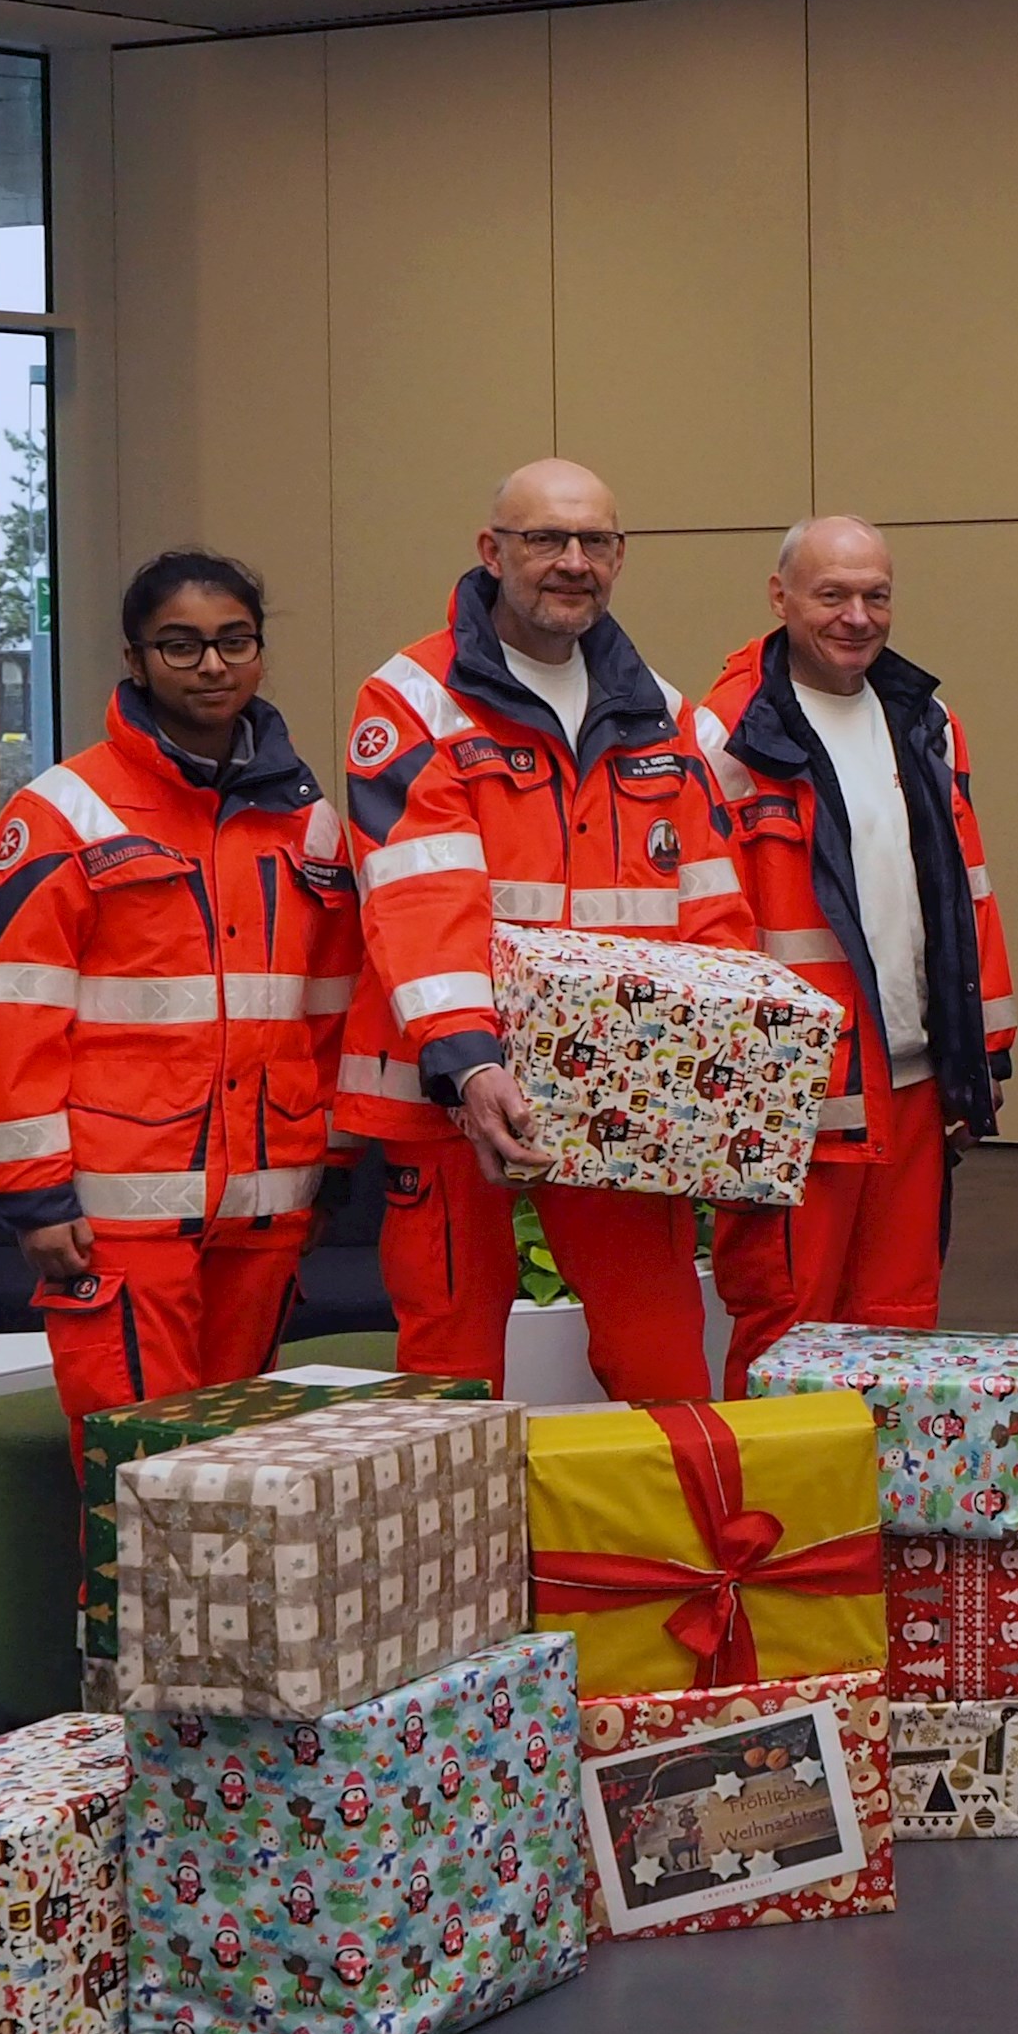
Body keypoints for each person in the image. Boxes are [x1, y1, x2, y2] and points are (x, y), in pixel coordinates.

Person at [338, 458, 767, 1397]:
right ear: (492, 551)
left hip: (621, 1093)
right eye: (545, 539)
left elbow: (714, 912)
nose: (572, 561)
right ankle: (459, 1551)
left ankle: (671, 1544)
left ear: (620, 557)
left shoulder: (664, 715)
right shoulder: (414, 701)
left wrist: (725, 1072)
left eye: (595, 542)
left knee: (660, 1351)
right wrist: (472, 1061)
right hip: (449, 1092)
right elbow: (420, 899)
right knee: (450, 1371)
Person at [0, 550, 362, 1442]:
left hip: (268, 1206)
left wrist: (333, 1163)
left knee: (235, 1465)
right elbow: (15, 1022)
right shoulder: (65, 812)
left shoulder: (309, 823)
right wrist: (34, 1194)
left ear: (259, 652)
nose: (212, 665)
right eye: (179, 645)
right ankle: (105, 1596)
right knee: (137, 1473)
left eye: (233, 640)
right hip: (117, 1218)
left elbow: (331, 1012)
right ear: (134, 658)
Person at [698, 516, 1018, 1392]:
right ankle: (782, 1530)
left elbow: (967, 891)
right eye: (831, 594)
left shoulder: (928, 719)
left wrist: (982, 1048)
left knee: (901, 1324)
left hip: (913, 1082)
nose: (857, 616)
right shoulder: (727, 732)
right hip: (794, 1095)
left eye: (875, 595)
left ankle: (885, 1527)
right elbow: (708, 921)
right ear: (780, 597)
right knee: (785, 1329)